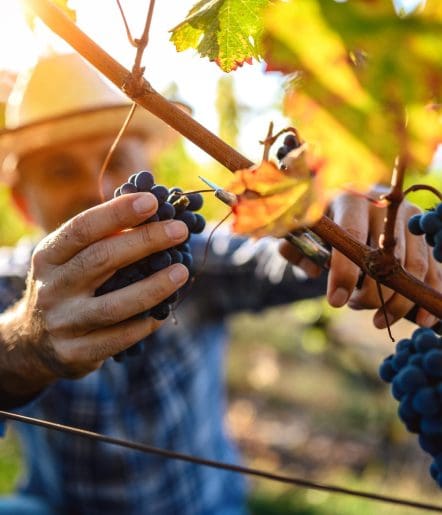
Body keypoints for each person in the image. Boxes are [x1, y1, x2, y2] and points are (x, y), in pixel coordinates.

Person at [0, 52, 439, 515]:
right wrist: (25, 341)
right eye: (60, 171)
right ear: (22, 203)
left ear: (146, 161)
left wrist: (340, 227)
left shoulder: (194, 257)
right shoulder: (12, 287)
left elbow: (275, 258)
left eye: (116, 159)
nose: (97, 188)